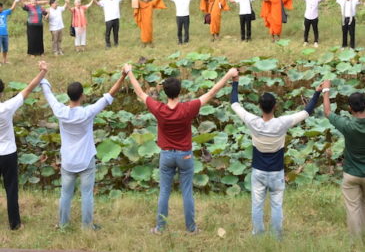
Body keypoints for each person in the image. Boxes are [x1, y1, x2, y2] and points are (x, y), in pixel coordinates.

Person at [123, 63, 239, 234]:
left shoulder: (159, 109)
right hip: (185, 155)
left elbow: (140, 93)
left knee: (164, 191)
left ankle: (160, 228)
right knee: (187, 192)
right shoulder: (188, 108)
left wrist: (129, 71)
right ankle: (191, 229)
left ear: (165, 93)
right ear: (180, 91)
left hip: (166, 155)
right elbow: (212, 92)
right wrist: (229, 75)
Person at [230, 73, 321, 238]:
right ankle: (277, 237)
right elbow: (307, 111)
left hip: (258, 171)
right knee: (276, 205)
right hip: (276, 172)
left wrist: (235, 83)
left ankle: (258, 235)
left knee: (257, 205)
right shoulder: (282, 123)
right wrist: (317, 92)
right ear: (275, 106)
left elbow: (235, 104)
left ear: (259, 107)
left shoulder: (253, 121)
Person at [39, 67, 126, 230]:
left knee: (65, 194)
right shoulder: (88, 112)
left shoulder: (60, 111)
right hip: (86, 161)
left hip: (68, 161)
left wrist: (43, 75)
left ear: (68, 95)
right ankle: (87, 226)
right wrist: (122, 76)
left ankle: (63, 224)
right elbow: (109, 96)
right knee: (87, 195)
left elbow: (48, 95)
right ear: (82, 96)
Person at [0, 60, 48, 230]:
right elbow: (28, 89)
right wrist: (43, 72)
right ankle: (15, 223)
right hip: (8, 154)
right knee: (11, 189)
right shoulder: (6, 108)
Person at [322, 80, 365, 237]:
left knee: (353, 208)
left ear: (350, 108)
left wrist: (326, 89)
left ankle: (356, 242)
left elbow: (327, 112)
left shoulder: (347, 125)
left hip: (351, 174)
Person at [0, 0, 20, 64]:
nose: (1, 8)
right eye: (0, 7)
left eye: (1, 7)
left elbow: (12, 8)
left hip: (5, 34)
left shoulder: (4, 12)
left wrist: (16, 0)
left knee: (5, 49)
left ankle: (4, 61)